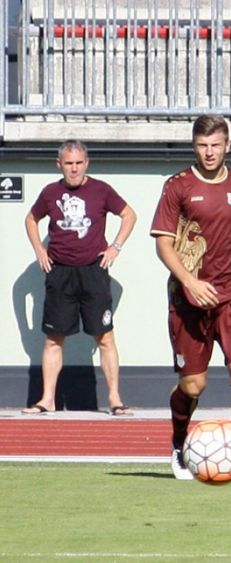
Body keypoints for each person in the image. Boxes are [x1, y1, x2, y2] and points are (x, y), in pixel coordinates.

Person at [150, 115, 231, 483]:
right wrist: (189, 281)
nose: (209, 152)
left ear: (227, 146)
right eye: (202, 145)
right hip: (188, 301)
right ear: (194, 146)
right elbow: (163, 243)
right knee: (194, 386)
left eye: (215, 145)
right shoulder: (178, 186)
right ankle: (178, 444)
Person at [22, 140, 137, 416]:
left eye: (78, 163)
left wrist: (115, 247)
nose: (73, 169)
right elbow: (30, 219)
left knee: (105, 337)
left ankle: (115, 399)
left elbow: (129, 215)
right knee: (53, 340)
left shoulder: (101, 190)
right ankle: (47, 400)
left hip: (93, 271)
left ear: (87, 163)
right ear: (59, 165)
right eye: (68, 163)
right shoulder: (50, 193)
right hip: (60, 273)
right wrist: (39, 249)